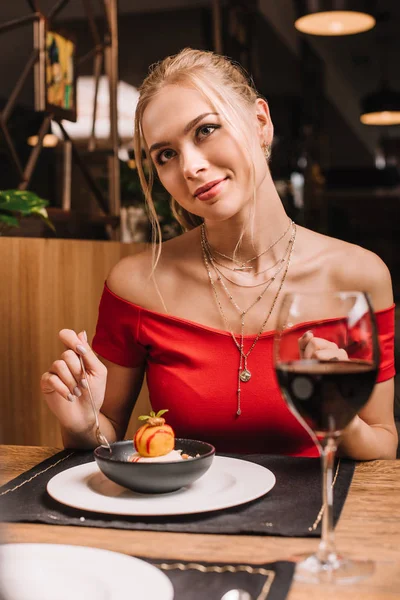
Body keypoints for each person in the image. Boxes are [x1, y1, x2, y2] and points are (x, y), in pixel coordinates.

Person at [40, 48, 397, 459]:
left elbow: (383, 443)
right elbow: (104, 437)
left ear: (260, 123)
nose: (189, 166)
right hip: (179, 517)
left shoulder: (359, 276)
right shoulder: (136, 284)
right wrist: (82, 422)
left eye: (205, 130)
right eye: (166, 155)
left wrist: (336, 409)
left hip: (314, 520)